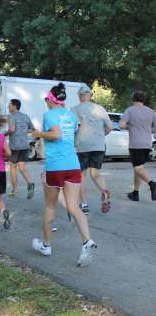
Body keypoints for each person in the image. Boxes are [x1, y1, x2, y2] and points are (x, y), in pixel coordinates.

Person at [31, 82, 97, 267]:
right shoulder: (71, 115)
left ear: (51, 100)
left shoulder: (49, 115)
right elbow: (72, 134)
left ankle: (46, 245)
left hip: (55, 166)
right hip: (73, 164)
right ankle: (87, 241)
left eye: (46, 100)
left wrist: (38, 134)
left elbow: (56, 135)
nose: (46, 103)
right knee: (74, 206)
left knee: (50, 206)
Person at [71, 85, 113, 213]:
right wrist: (101, 136)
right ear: (90, 95)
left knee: (82, 175)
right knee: (95, 173)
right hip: (98, 145)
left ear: (79, 96)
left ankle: (84, 204)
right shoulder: (100, 108)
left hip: (82, 146)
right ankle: (104, 191)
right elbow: (110, 127)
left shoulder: (74, 109)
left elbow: (73, 128)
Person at [119, 91, 156, 201]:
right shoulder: (151, 112)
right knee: (139, 168)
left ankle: (152, 184)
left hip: (136, 144)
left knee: (138, 168)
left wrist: (130, 126)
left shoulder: (130, 110)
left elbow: (121, 125)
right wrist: (150, 130)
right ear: (143, 100)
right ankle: (135, 193)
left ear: (133, 99)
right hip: (147, 143)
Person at [6, 99, 36, 199]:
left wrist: (4, 134)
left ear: (14, 106)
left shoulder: (11, 116)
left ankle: (15, 190)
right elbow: (33, 129)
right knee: (22, 168)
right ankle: (30, 183)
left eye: (9, 105)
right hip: (24, 146)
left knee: (13, 167)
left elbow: (11, 129)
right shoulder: (25, 116)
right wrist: (23, 131)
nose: (8, 107)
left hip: (14, 146)